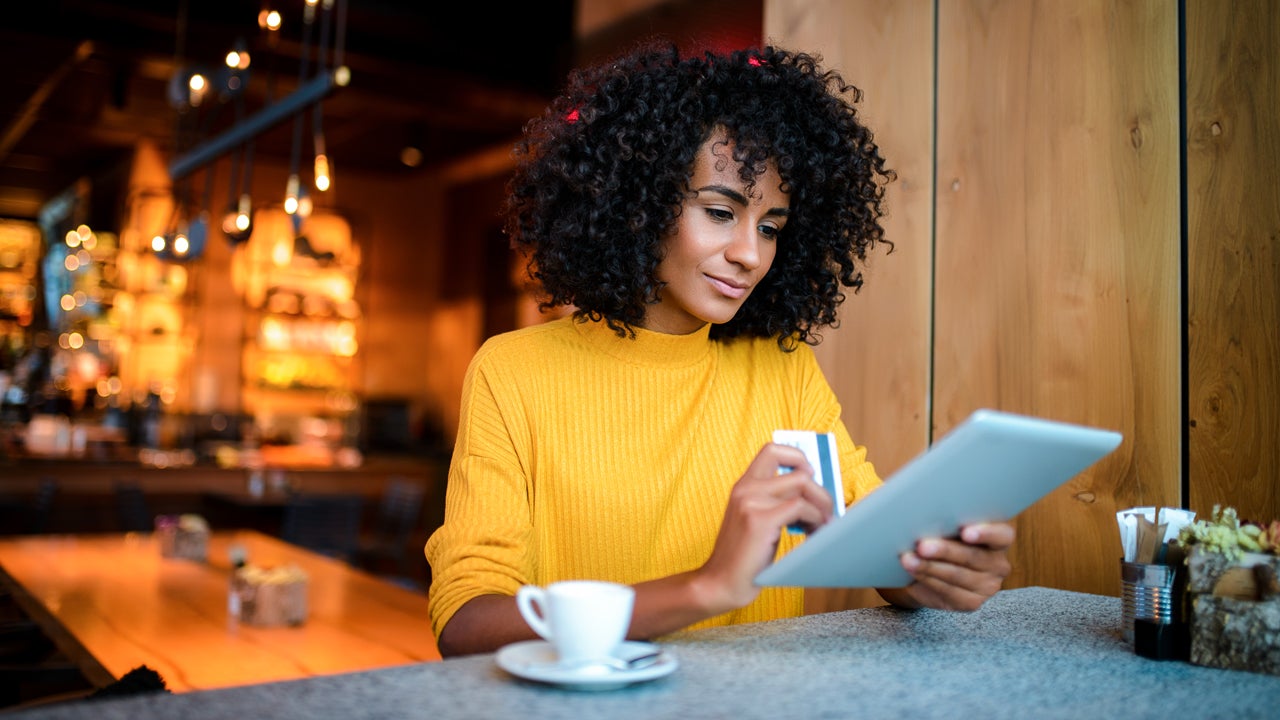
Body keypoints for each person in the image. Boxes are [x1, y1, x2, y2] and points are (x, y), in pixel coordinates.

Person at [425, 40, 1014, 657]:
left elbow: (876, 545)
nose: (750, 255)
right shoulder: (514, 372)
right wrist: (705, 587)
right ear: (637, 205)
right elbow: (467, 623)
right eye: (718, 211)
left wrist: (938, 567)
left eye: (769, 228)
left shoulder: (782, 368)